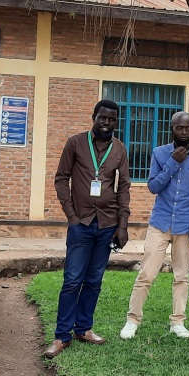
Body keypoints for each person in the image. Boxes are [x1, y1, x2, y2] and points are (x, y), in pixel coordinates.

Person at [44, 99, 131, 358]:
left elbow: (124, 186)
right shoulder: (75, 143)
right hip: (80, 223)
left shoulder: (120, 150)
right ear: (93, 117)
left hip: (107, 224)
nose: (106, 123)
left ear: (116, 122)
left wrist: (123, 225)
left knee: (94, 280)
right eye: (102, 117)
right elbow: (62, 178)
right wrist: (70, 215)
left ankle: (83, 328)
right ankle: (62, 336)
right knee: (72, 280)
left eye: (112, 119)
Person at [120, 111, 189, 340]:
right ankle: (132, 320)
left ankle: (178, 322)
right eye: (179, 128)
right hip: (159, 224)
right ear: (172, 129)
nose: (183, 132)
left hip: (185, 226)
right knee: (146, 274)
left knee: (182, 276)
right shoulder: (160, 153)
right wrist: (173, 163)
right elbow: (153, 186)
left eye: (188, 128)